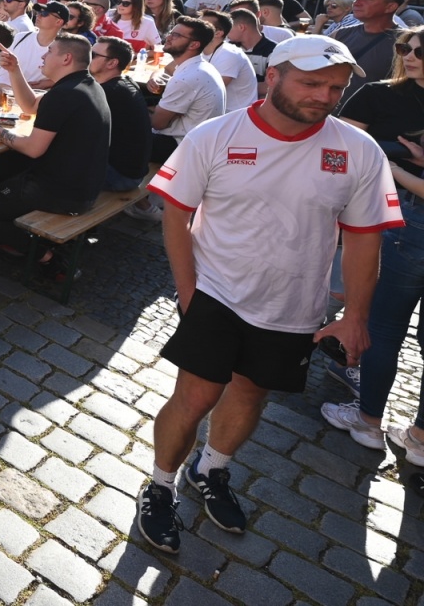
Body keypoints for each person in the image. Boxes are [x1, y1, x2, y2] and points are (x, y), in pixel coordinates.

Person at [136, 36, 400, 555]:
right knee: (194, 397)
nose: (324, 96)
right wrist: (189, 296)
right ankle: (160, 485)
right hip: (215, 293)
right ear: (273, 76)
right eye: (311, 83)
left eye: (335, 87)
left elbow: (365, 238)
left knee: (252, 393)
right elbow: (176, 213)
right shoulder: (215, 136)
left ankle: (211, 470)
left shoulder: (358, 150)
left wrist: (356, 316)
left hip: (295, 306)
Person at [325, 28, 424, 445]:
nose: (410, 55)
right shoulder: (381, 93)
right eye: (405, 48)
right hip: (391, 215)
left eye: (419, 50)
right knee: (376, 319)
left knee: (384, 327)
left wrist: (394, 166)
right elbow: (339, 148)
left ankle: (371, 422)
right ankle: (415, 436)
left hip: (407, 221)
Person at [0, 36, 112, 271]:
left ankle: (50, 259)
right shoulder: (85, 85)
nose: (43, 56)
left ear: (66, 58)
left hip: (62, 193)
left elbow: (32, 148)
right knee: (8, 169)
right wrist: (15, 70)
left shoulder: (64, 94)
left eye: (49, 51)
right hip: (85, 185)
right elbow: (30, 107)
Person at [127, 16, 226, 221]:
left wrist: (141, 110)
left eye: (177, 35)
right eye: (171, 32)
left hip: (182, 146)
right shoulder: (197, 65)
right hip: (197, 142)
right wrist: (155, 78)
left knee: (114, 137)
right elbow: (168, 69)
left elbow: (158, 123)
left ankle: (142, 205)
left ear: (194, 44)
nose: (169, 37)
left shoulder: (187, 77)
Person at [87, 36, 153, 190]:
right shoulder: (124, 83)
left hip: (120, 177)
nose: (87, 57)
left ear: (112, 63)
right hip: (132, 172)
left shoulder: (109, 92)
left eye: (93, 55)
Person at [332, 0, 405, 106]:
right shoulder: (340, 34)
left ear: (390, 7)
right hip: (330, 116)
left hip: (373, 121)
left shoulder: (408, 42)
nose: (356, 3)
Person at [196, 10, 256, 113]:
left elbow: (211, 91)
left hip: (234, 115)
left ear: (218, 33)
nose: (193, 29)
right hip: (213, 110)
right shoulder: (199, 50)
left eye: (201, 26)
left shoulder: (230, 54)